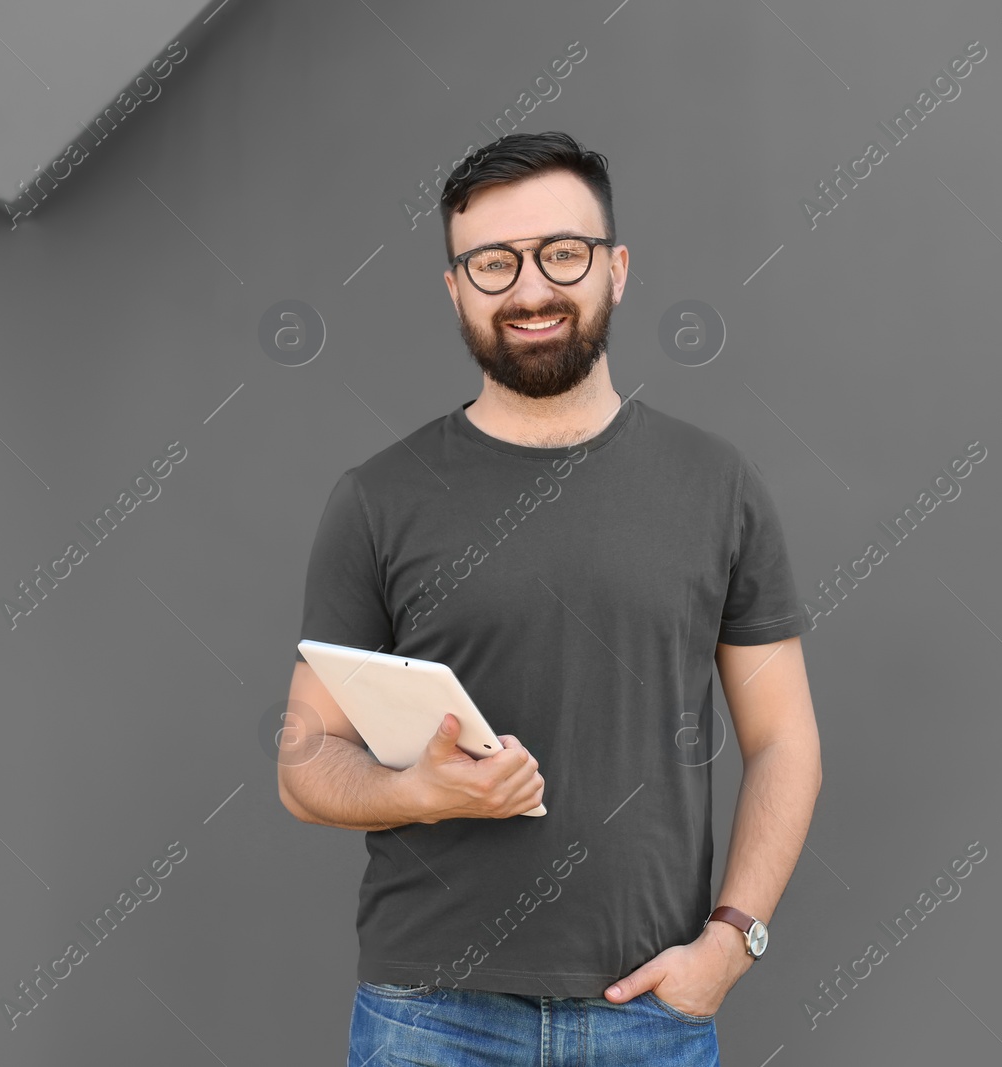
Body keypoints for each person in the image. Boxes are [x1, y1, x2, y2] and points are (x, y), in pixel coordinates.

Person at [279, 130, 822, 1066]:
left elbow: (786, 741)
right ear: (455, 289)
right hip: (430, 1018)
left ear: (616, 268)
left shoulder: (717, 485)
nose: (530, 289)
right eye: (493, 263)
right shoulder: (376, 498)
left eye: (560, 253)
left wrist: (731, 941)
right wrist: (414, 788)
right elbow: (303, 757)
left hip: (653, 1014)